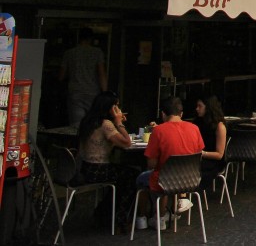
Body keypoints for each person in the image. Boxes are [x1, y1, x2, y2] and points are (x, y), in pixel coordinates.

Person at [135, 97, 204, 231]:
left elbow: (151, 164)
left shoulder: (158, 131)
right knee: (165, 174)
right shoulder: (194, 128)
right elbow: (199, 154)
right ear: (181, 114)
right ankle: (161, 217)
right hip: (191, 180)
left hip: (164, 180)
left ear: (163, 114)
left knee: (143, 179)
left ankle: (141, 218)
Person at [77, 91, 136, 232]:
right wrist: (119, 123)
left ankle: (104, 212)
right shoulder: (106, 124)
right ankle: (120, 219)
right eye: (116, 106)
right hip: (99, 170)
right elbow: (126, 142)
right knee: (132, 176)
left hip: (85, 167)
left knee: (122, 177)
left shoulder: (88, 121)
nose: (119, 110)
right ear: (110, 108)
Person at [59, 27, 107, 125]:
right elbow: (101, 73)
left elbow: (61, 76)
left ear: (79, 37)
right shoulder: (97, 52)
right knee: (92, 124)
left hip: (75, 92)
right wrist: (105, 93)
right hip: (93, 93)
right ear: (91, 38)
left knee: (77, 125)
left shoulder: (69, 53)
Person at [194, 95, 227, 191]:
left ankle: (184, 194)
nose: (197, 109)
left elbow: (219, 155)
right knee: (183, 166)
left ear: (208, 107)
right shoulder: (198, 122)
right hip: (199, 158)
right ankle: (182, 195)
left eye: (200, 106)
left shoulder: (219, 126)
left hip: (213, 162)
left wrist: (202, 153)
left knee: (189, 168)